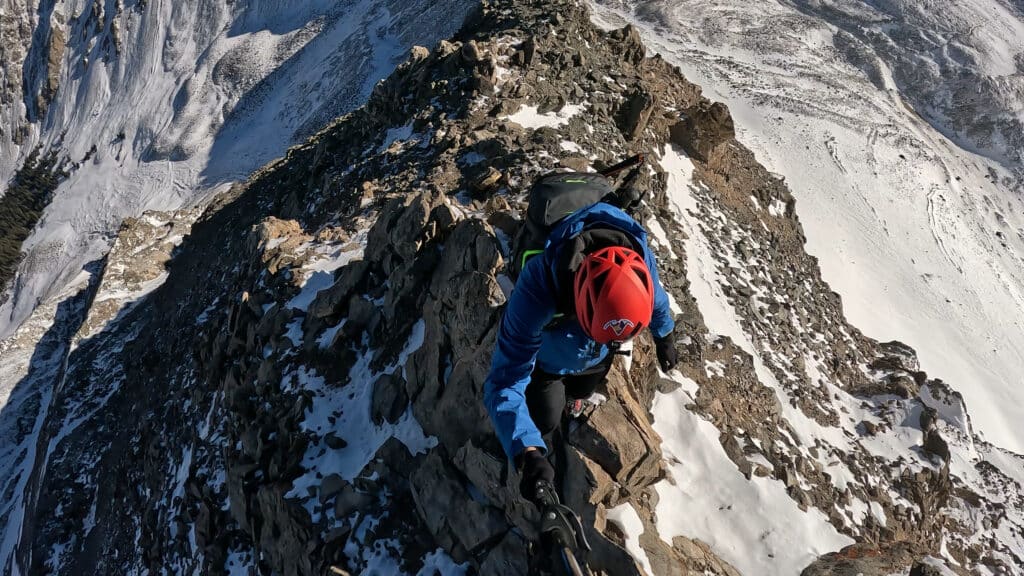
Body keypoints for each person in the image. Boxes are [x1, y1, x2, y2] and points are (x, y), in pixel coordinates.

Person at [483, 200, 678, 505]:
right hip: (547, 362)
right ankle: (549, 419)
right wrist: (527, 450)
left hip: (595, 357)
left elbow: (659, 304)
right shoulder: (539, 288)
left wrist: (665, 336)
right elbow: (505, 381)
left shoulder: (638, 264)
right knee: (544, 417)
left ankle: (575, 397)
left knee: (586, 384)